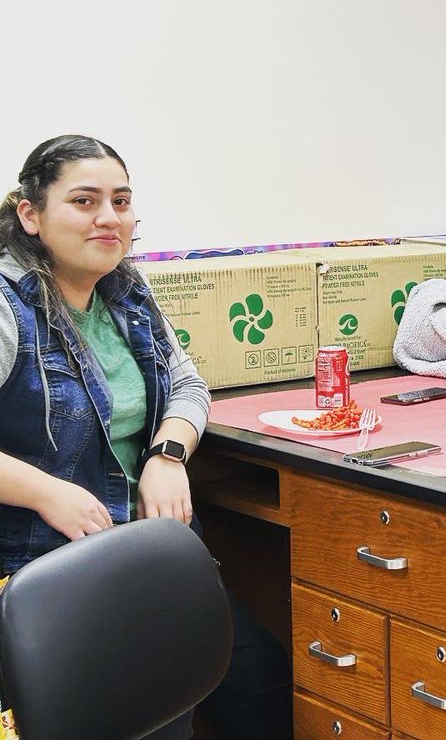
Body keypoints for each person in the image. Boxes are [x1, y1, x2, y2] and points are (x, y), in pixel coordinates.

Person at [0, 135, 290, 739]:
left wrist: (166, 453)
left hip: (142, 557)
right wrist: (42, 491)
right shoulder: (7, 306)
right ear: (30, 215)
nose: (110, 218)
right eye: (84, 201)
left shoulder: (125, 291)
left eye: (121, 200)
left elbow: (188, 386)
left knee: (250, 679)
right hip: (38, 573)